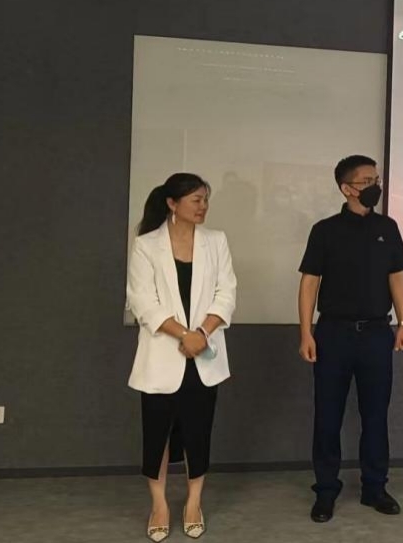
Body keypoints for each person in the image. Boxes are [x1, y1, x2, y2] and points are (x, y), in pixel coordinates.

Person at [298, 155, 403, 523]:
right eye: (367, 181)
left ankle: (374, 487)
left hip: (377, 333)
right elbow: (310, 282)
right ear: (347, 188)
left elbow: (397, 276)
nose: (375, 186)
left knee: (375, 415)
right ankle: (325, 490)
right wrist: (306, 331)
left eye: (376, 179)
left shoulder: (387, 227)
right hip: (333, 333)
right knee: (327, 416)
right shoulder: (325, 230)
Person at [126, 173, 238, 542]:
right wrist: (183, 335)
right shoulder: (146, 245)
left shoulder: (216, 241)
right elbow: (143, 301)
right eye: (196, 200)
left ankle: (194, 502)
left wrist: (201, 334)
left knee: (198, 430)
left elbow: (226, 292)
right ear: (172, 204)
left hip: (203, 354)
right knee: (157, 432)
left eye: (205, 199)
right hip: (163, 354)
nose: (203, 206)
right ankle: (159, 504)